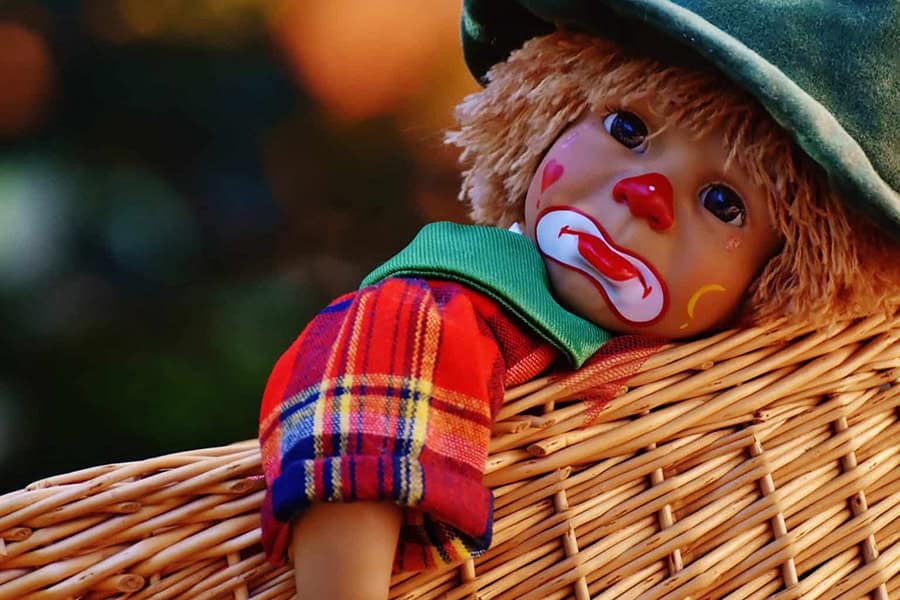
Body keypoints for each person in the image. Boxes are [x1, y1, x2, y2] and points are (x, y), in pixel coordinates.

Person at [258, 2, 900, 598]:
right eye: (628, 128)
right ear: (544, 115)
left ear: (783, 272)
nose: (645, 197)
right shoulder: (440, 314)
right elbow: (353, 457)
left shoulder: (756, 390)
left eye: (723, 203)